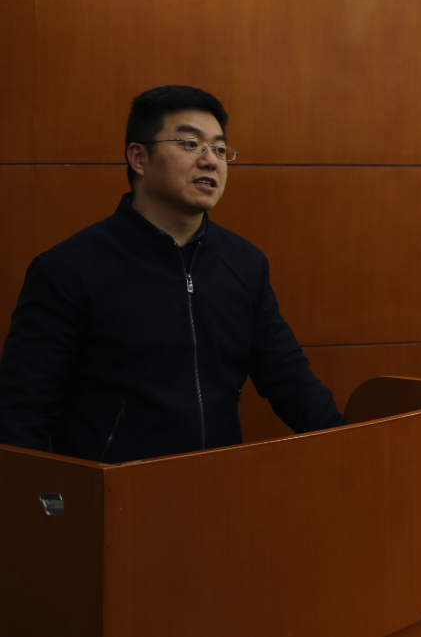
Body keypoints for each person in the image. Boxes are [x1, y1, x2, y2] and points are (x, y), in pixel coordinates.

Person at [0, 85, 342, 463]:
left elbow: (290, 380)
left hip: (217, 482)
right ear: (138, 157)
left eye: (220, 149)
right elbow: (24, 410)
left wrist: (352, 450)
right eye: (190, 144)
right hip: (115, 489)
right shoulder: (69, 269)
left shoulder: (245, 263)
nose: (210, 161)